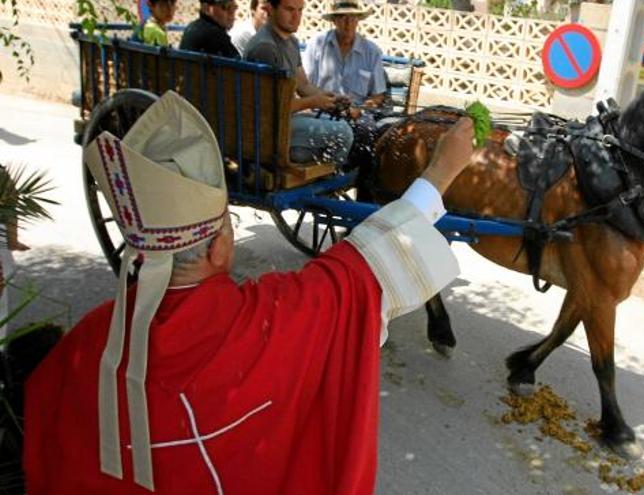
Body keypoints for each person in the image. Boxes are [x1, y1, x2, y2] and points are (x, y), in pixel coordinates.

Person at [24, 91, 475, 494]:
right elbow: (363, 269)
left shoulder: (87, 343)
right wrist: (440, 170)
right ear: (221, 246)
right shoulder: (269, 322)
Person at [244, 0, 354, 166]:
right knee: (343, 133)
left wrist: (330, 97)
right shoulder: (265, 47)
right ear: (270, 9)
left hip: (286, 122)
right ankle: (324, 182)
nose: (296, 17)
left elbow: (303, 86)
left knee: (344, 123)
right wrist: (314, 102)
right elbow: (273, 109)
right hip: (268, 132)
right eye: (289, 9)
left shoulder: (291, 42)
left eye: (300, 10)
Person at [302, 0, 387, 174]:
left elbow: (378, 96)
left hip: (355, 115)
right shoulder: (317, 45)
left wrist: (359, 109)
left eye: (352, 18)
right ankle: (321, 174)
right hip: (321, 110)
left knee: (367, 131)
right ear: (334, 20)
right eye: (342, 17)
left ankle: (348, 177)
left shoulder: (372, 52)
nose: (347, 23)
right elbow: (304, 85)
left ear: (358, 20)